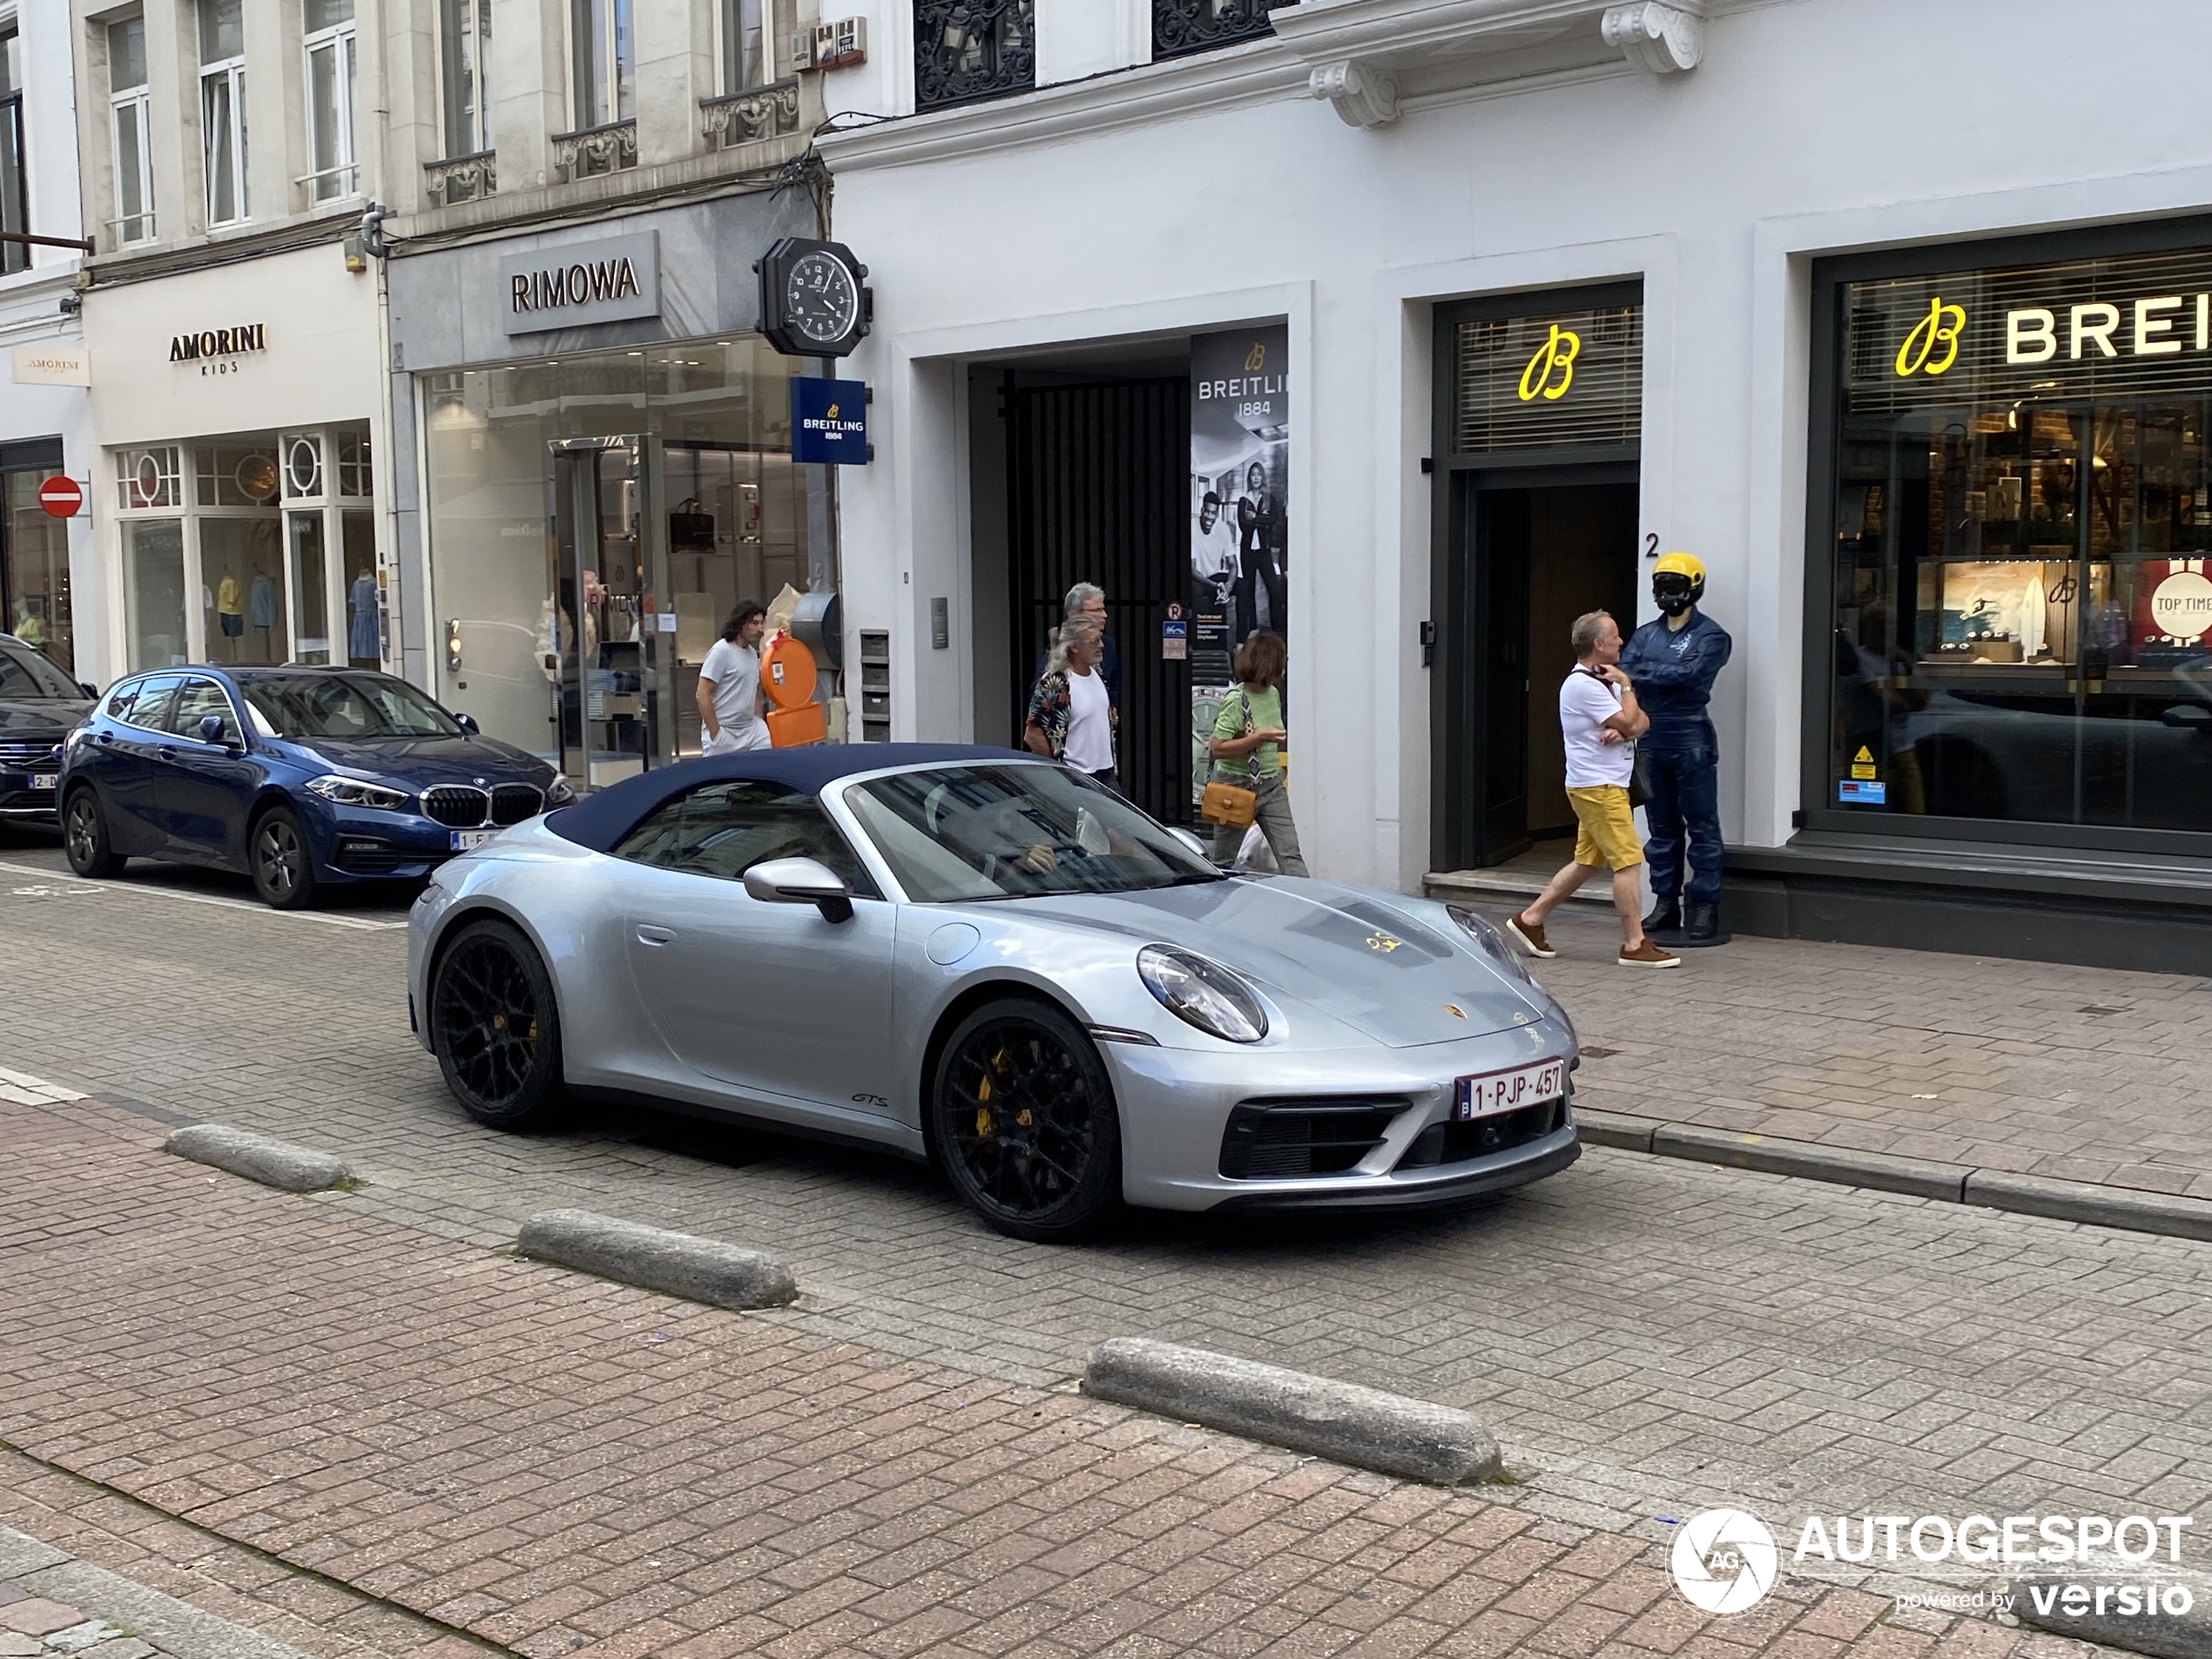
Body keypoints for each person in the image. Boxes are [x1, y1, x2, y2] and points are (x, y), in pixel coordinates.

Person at [1507, 610, 1678, 968]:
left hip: (1604, 785)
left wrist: (1628, 723)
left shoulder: (1606, 680)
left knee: (1588, 861)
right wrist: (1628, 693)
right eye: (1615, 637)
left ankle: (1530, 920)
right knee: (1629, 861)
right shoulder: (1585, 685)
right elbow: (1632, 718)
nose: (1621, 641)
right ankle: (1634, 944)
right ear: (1599, 645)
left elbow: (1641, 720)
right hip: (1599, 787)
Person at [1617, 552, 1733, 943]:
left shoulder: (1712, 636)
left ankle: (1704, 905)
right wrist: (1651, 675)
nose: (1667, 594)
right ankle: (1665, 903)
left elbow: (1689, 676)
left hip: (1690, 738)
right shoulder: (1646, 634)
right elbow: (1626, 670)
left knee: (1702, 825)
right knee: (1661, 828)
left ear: (1694, 588)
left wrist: (1642, 674)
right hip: (1650, 738)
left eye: (1675, 586)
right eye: (1661, 586)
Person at [1207, 629, 1307, 876]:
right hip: (1235, 787)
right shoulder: (1237, 699)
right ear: (1271, 664)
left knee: (1290, 853)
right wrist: (1257, 738)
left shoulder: (1272, 694)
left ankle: (1309, 906)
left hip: (1271, 784)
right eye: (1282, 660)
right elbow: (1217, 748)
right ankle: (1215, 907)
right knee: (1223, 861)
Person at [1024, 614, 1116, 788]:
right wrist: (1063, 772)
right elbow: (1032, 735)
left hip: (1107, 773)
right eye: (1095, 641)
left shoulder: (1097, 673)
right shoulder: (1055, 682)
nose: (1101, 646)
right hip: (1076, 776)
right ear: (1074, 646)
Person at [1034, 583, 1121, 717]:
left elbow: (1114, 683)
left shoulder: (1109, 645)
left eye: (1103, 609)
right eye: (1097, 610)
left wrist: (1111, 705)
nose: (1104, 615)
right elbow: (1039, 697)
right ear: (1075, 614)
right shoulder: (1060, 649)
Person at [698, 601, 772, 755]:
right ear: (741, 624)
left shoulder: (752, 654)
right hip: (725, 731)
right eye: (754, 623)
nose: (760, 629)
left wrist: (759, 722)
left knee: (761, 772)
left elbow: (753, 692)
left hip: (752, 731)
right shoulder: (721, 651)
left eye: (762, 623)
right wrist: (715, 733)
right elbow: (703, 693)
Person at [1235, 462, 1286, 636]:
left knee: (1274, 589)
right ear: (1249, 478)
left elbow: (1274, 519)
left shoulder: (1268, 498)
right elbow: (1243, 525)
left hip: (1264, 551)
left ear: (1262, 477)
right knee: (1248, 591)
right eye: (1252, 474)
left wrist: (1255, 517)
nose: (1256, 477)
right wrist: (1261, 520)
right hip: (1247, 552)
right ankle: (1252, 628)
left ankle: (1278, 629)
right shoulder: (1243, 500)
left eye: (1258, 474)